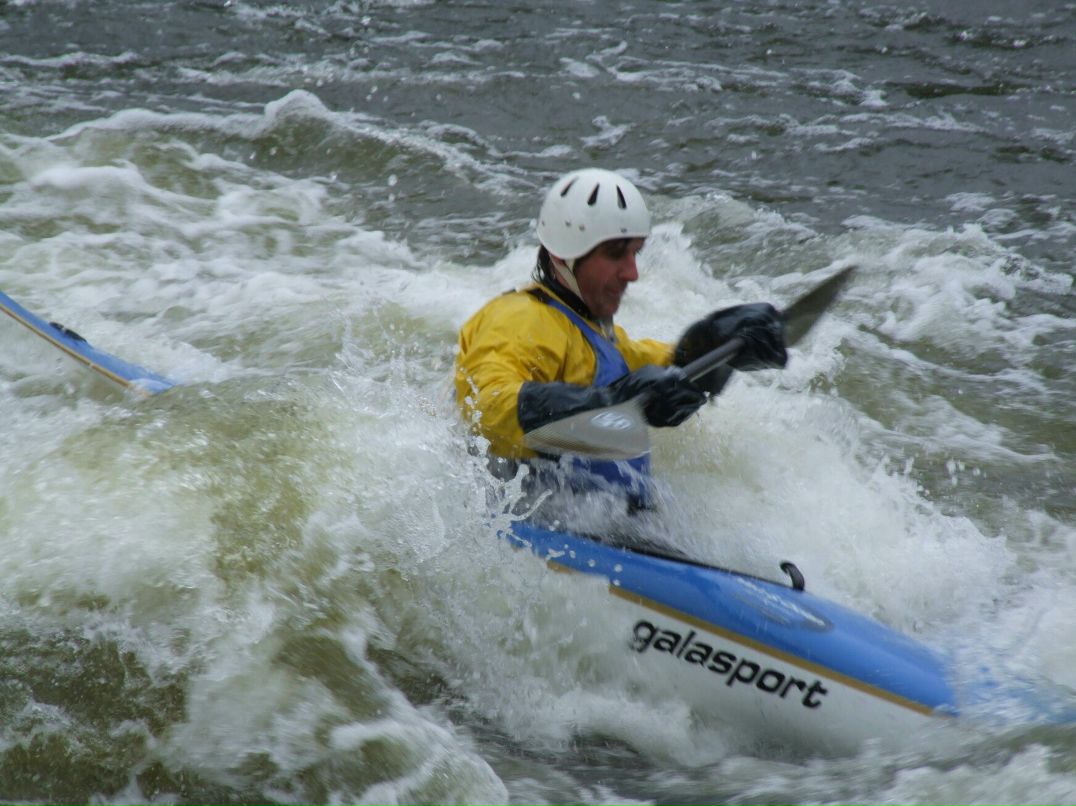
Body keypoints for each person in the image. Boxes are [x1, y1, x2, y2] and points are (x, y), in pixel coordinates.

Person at [454, 168, 787, 520]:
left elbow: (662, 366)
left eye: (635, 254)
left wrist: (721, 344)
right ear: (563, 255)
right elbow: (487, 407)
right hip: (535, 528)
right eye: (615, 254)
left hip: (611, 526)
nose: (632, 273)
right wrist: (611, 400)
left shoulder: (588, 332)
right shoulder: (519, 319)